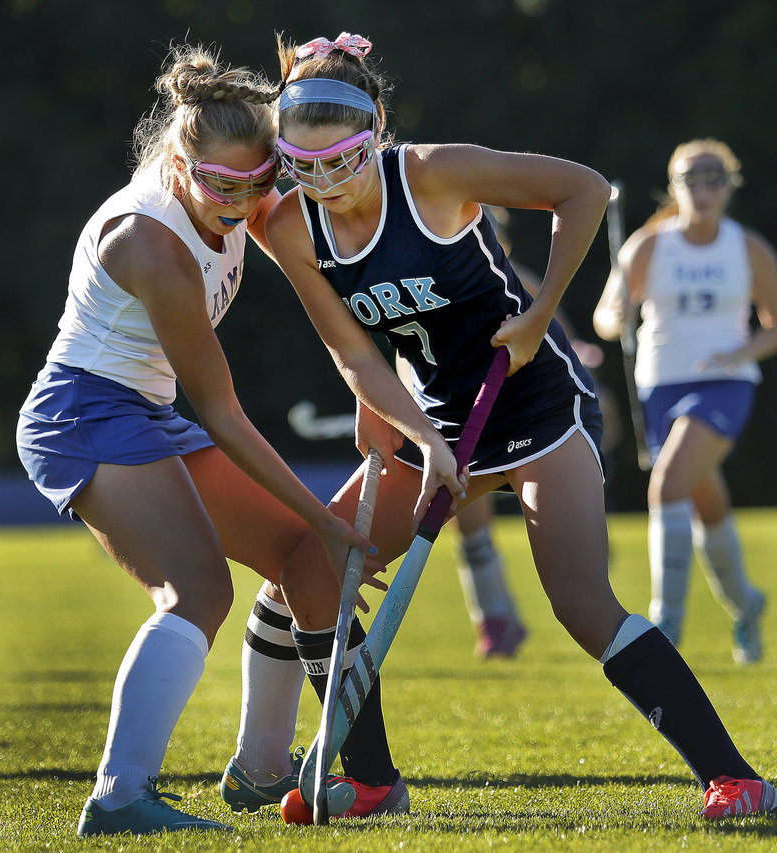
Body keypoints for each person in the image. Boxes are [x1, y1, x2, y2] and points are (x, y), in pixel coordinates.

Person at [258, 32, 777, 820]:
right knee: (311, 568)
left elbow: (584, 190)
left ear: (378, 134)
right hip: (434, 417)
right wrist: (420, 436)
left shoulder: (432, 173)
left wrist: (537, 317)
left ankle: (735, 777)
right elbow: (355, 354)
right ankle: (369, 778)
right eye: (304, 166)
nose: (327, 183)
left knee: (580, 603)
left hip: (532, 402)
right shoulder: (292, 227)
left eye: (345, 161)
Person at [15, 43, 403, 837]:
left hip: (145, 409)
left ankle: (262, 771)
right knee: (198, 593)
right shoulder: (150, 243)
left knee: (302, 558)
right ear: (177, 161)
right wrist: (333, 518)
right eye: (221, 183)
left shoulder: (244, 196)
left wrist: (380, 378)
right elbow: (223, 413)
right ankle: (119, 797)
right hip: (83, 413)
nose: (241, 202)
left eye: (260, 181)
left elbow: (330, 274)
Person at [594, 139, 777, 664]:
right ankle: (746, 604)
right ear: (674, 187)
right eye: (690, 178)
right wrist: (617, 316)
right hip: (661, 383)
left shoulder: (747, 247)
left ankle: (664, 621)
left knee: (668, 482)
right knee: (703, 498)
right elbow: (609, 317)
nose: (703, 188)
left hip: (726, 384)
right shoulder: (649, 246)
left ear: (729, 184)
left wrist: (739, 352)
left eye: (714, 177)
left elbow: (773, 323)